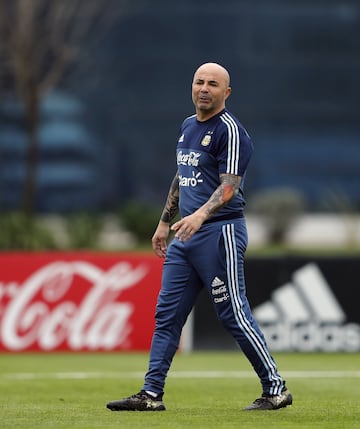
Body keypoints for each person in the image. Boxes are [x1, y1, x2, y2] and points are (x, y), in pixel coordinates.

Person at [106, 62, 292, 412]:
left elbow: (230, 186)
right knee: (167, 315)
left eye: (213, 84)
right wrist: (165, 221)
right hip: (185, 237)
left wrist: (200, 215)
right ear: (191, 87)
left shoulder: (231, 131)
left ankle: (276, 388)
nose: (204, 88)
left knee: (232, 314)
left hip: (219, 233)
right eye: (199, 82)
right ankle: (151, 394)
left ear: (227, 92)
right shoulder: (188, 126)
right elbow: (183, 176)